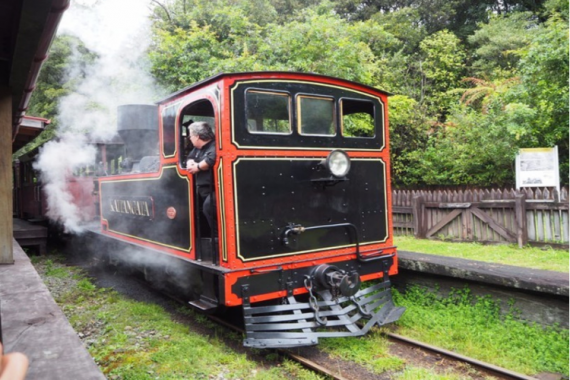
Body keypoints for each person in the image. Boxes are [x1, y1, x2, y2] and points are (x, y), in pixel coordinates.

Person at [186, 122, 217, 237]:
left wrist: (197, 167)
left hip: (215, 189)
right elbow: (189, 157)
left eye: (191, 136)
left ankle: (217, 238)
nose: (190, 139)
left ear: (198, 136)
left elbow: (211, 159)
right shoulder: (197, 149)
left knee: (208, 208)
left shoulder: (215, 145)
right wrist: (190, 163)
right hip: (202, 189)